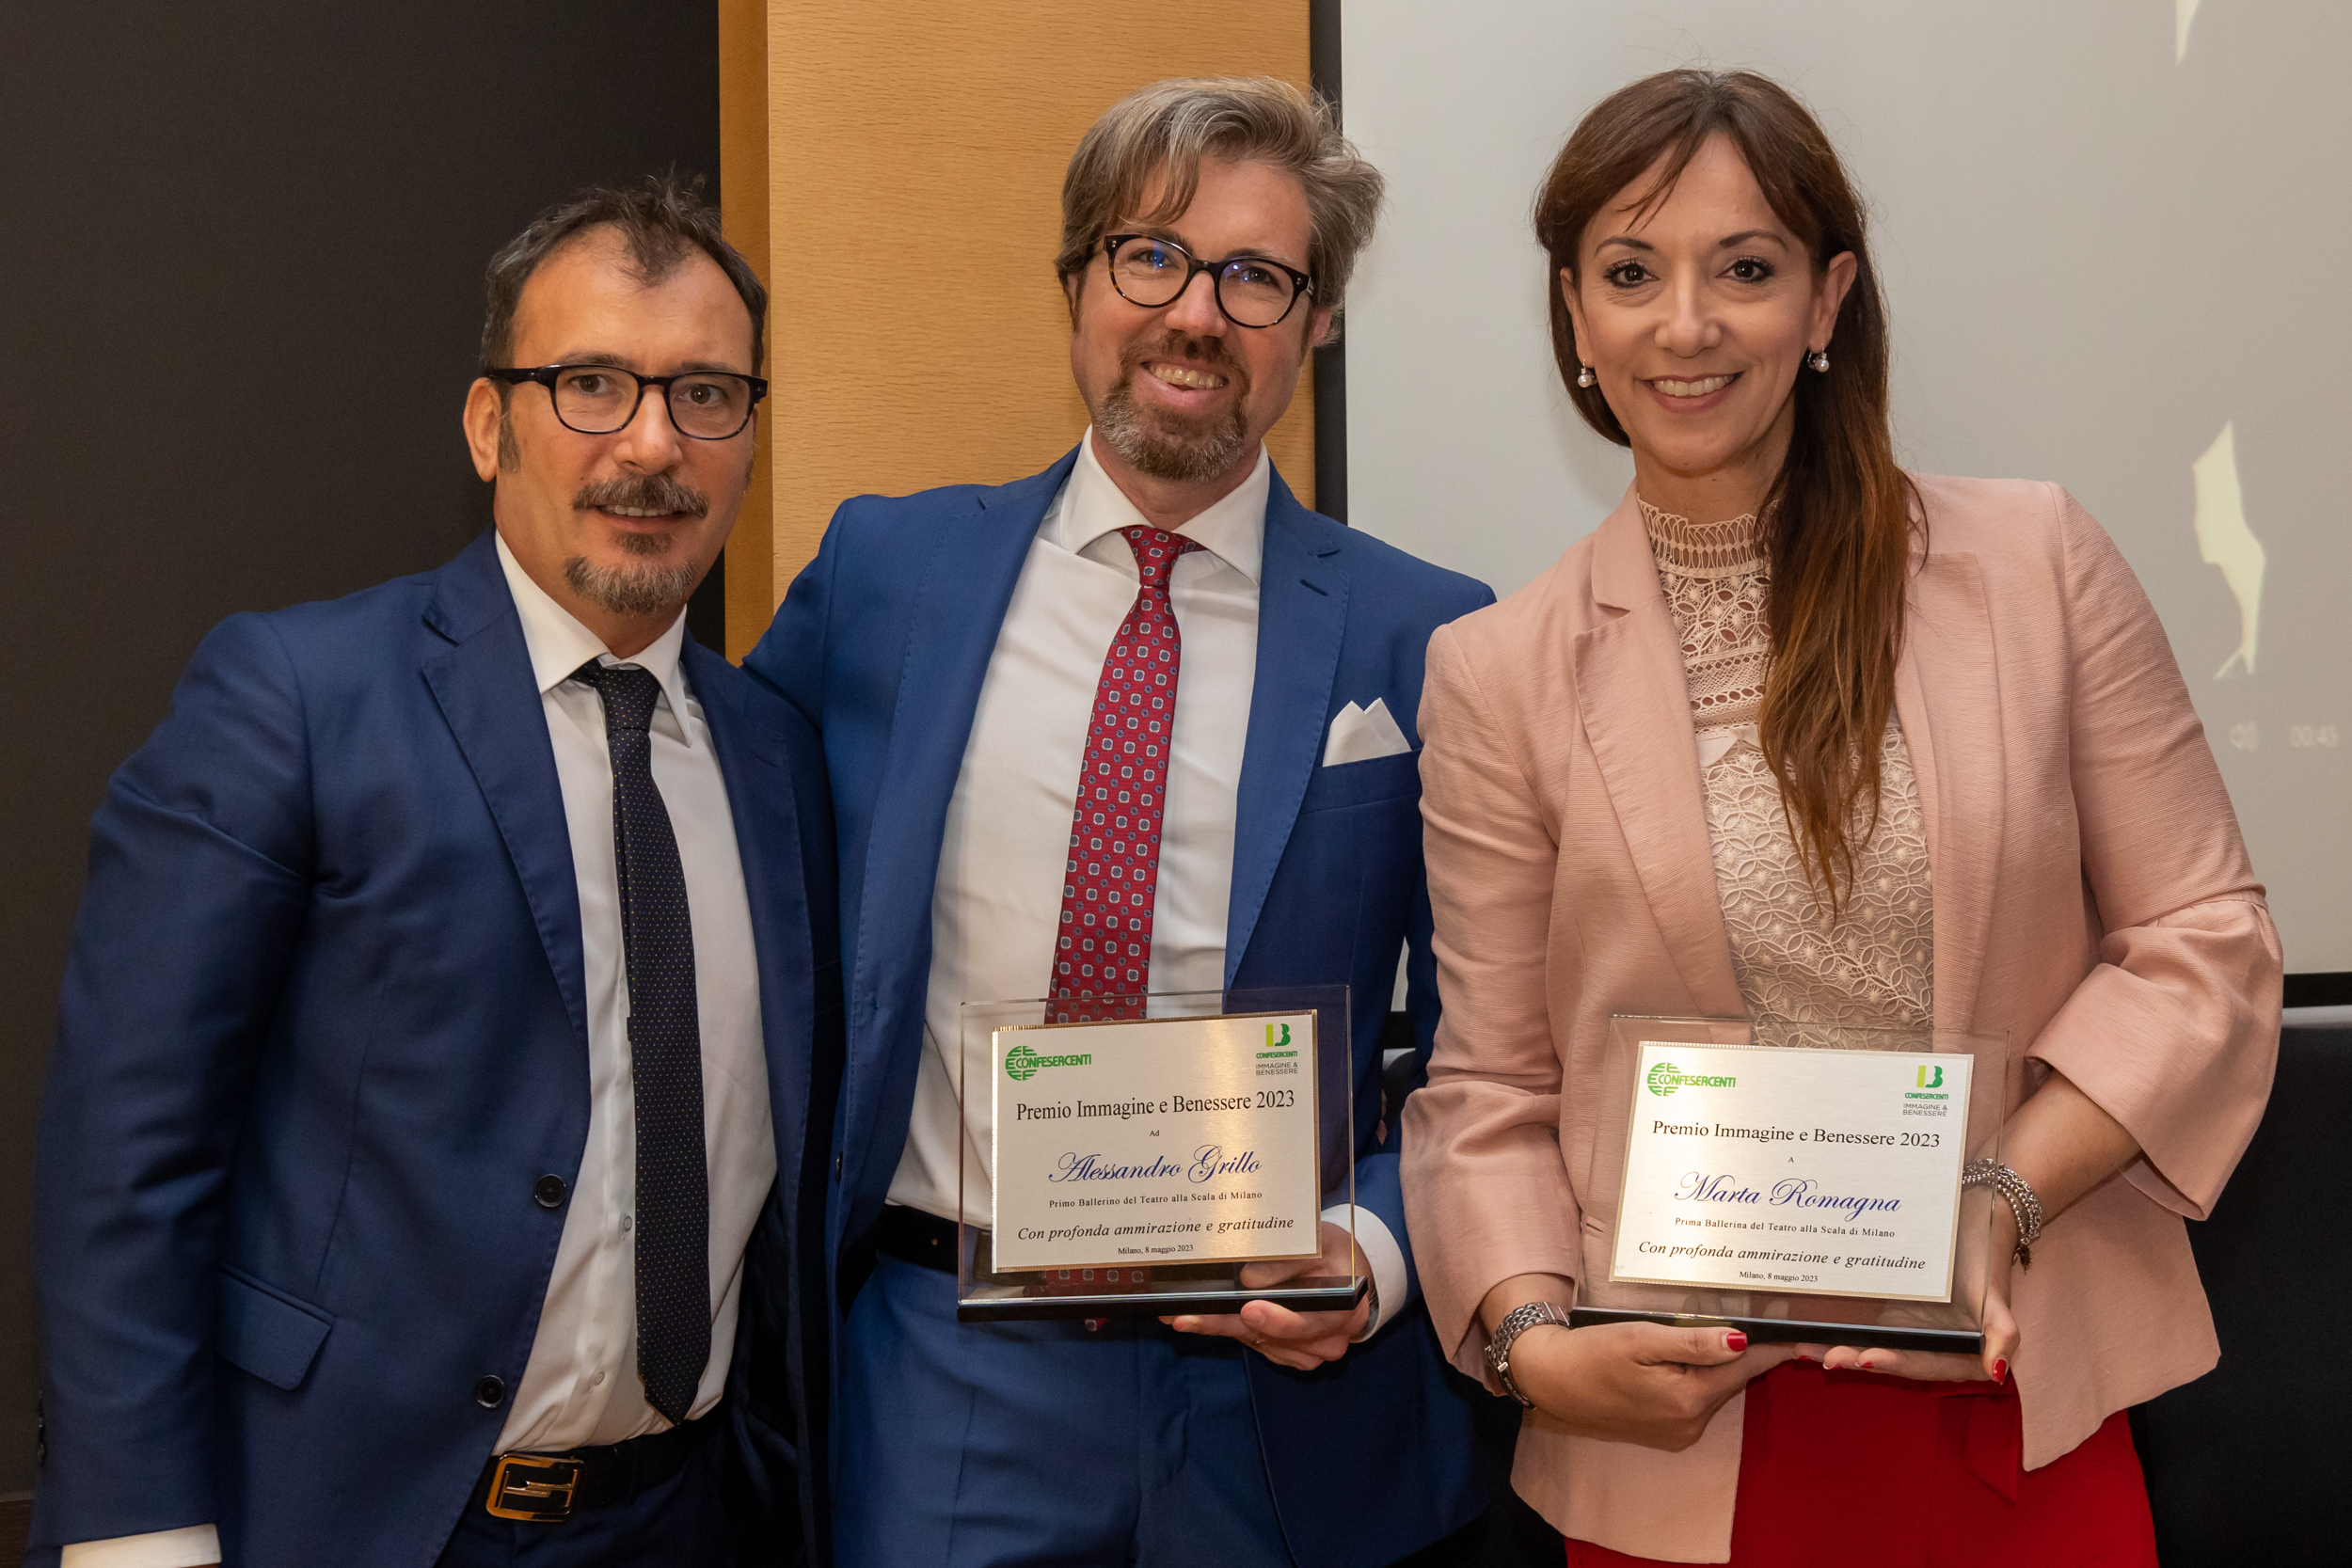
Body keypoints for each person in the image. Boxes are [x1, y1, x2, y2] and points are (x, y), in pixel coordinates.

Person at [1401, 69, 2281, 1567]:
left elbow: (2205, 942)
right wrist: (1532, 1340)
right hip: (1682, 1443)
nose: (1686, 325)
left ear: (1828, 300)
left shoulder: (2036, 565)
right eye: (1632, 273)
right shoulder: (1498, 671)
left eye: (1744, 270)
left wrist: (1999, 1195)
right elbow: (1489, 1087)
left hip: (2008, 1388)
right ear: (1575, 316)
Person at [745, 75, 1502, 1568]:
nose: (1196, 314)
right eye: (1151, 257)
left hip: (1283, 1397)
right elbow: (737, 884)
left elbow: (1496, 1039)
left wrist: (1373, 1246)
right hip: (947, 1371)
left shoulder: (1426, 632)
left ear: (1317, 323)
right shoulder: (886, 576)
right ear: (1078, 285)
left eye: (1256, 277)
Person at [29, 176, 836, 1568]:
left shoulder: (779, 756)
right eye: (591, 384)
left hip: (690, 1518)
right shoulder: (295, 699)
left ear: (750, 438)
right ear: (487, 424)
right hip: (353, 1521)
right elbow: (126, 1155)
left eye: (705, 394)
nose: (653, 443)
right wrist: (136, 1533)